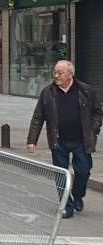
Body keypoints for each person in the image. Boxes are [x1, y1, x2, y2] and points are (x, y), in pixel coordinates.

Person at [27, 60, 103, 219]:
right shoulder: (47, 93)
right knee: (61, 174)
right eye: (55, 72)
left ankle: (78, 194)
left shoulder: (86, 91)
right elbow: (38, 117)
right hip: (58, 141)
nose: (56, 76)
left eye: (60, 73)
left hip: (81, 141)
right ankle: (66, 206)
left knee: (83, 171)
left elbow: (97, 111)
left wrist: (93, 128)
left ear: (70, 74)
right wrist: (32, 140)